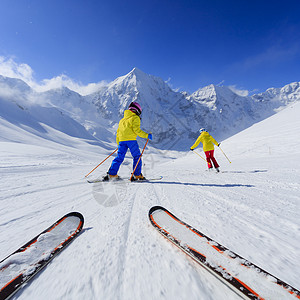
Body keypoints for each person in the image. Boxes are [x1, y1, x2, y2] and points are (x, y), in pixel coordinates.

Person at [103, 101, 152, 181]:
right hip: (131, 140)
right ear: (137, 110)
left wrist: (119, 143)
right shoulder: (135, 118)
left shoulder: (122, 120)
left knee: (119, 157)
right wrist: (147, 135)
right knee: (137, 157)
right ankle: (137, 175)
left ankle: (112, 174)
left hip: (122, 141)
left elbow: (118, 133)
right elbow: (137, 131)